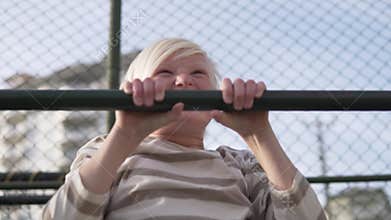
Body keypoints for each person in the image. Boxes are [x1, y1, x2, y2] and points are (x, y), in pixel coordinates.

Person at [42, 38, 327, 220]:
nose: (182, 81)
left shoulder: (240, 163)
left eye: (198, 74)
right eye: (164, 73)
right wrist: (124, 135)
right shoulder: (110, 151)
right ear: (133, 91)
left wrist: (259, 135)